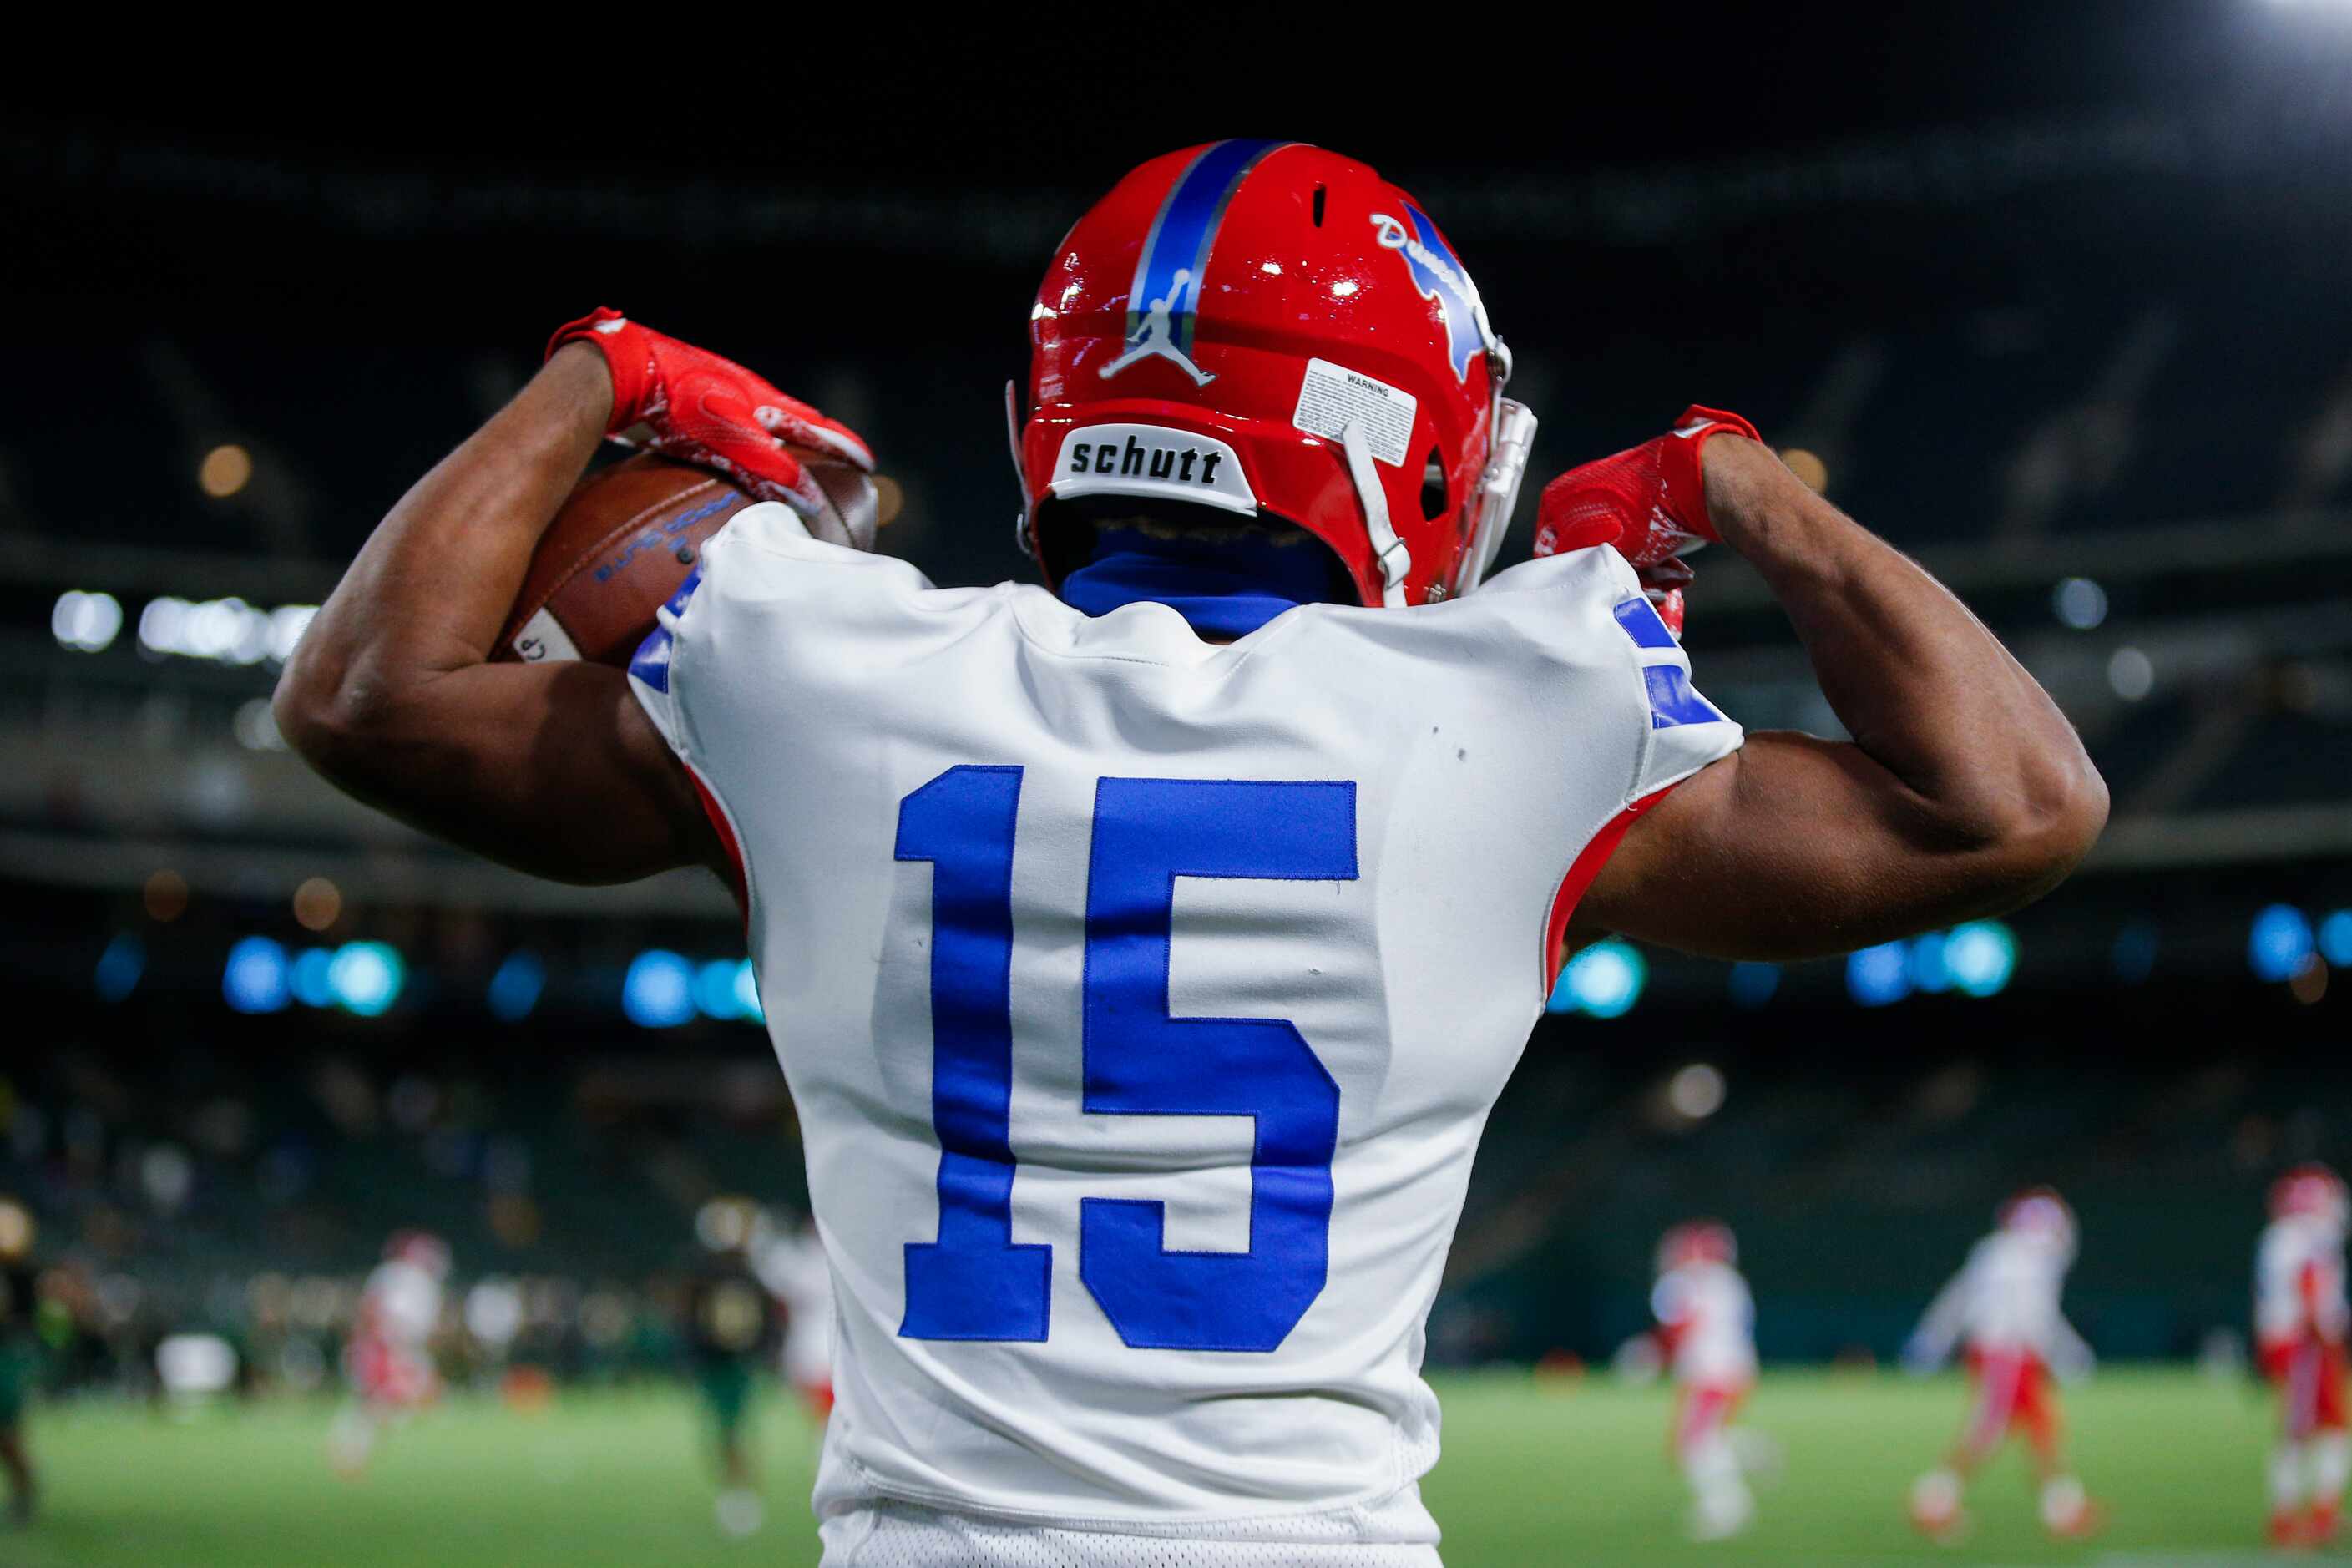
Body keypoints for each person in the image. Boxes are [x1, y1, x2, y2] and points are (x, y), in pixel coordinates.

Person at [275, 140, 2106, 1564]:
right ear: (1404, 448)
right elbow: (2018, 802)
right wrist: (1745, 485)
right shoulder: (1520, 707)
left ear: (1055, 430)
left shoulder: (810, 664)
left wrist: (604, 374)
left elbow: (359, 695)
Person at [1904, 1189, 2100, 1541]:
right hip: (2006, 1351)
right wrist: (2066, 1353)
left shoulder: (1996, 1252)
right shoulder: (2025, 1259)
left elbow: (1960, 1297)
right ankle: (1934, 1499)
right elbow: (2033, 1315)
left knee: (2042, 1425)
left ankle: (2062, 1505)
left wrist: (1934, 1338)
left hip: (2006, 1351)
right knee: (1990, 1429)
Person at [2258, 1163, 2351, 1546]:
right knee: (2305, 1431)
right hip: (2304, 1344)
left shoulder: (2281, 1236)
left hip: (2294, 1341)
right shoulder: (2302, 1237)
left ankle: (2318, 1513)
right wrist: (2327, 1340)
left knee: (2322, 1429)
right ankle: (2292, 1519)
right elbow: (2308, 1289)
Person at [1650, 1222, 1758, 1540]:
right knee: (1702, 1439)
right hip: (1734, 1369)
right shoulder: (1730, 1281)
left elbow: (1683, 1326)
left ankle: (1727, 1508)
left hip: (1711, 1372)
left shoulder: (1687, 1283)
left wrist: (1652, 1355)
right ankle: (1755, 1454)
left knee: (1693, 1444)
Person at [329, 1230, 448, 1477]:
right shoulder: (398, 1277)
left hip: (400, 1347)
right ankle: (349, 1448)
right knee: (382, 1401)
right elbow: (374, 1311)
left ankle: (353, 1447)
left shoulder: (407, 1279)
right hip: (387, 1346)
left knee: (408, 1399)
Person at [686, 1238, 780, 1537]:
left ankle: (741, 1495)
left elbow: (763, 1321)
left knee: (734, 1430)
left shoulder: (747, 1279)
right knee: (723, 1432)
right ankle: (735, 1492)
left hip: (736, 1364)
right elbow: (696, 1323)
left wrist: (761, 1351)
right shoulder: (706, 1280)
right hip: (717, 1364)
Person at [753, 1211, 836, 1425]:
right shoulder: (834, 1261)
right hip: (819, 1351)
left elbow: (772, 1267)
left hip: (815, 1352)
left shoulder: (809, 1264)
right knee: (829, 1419)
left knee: (827, 1419)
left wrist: (761, 1233)